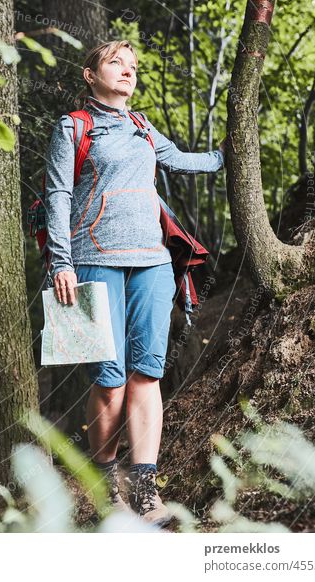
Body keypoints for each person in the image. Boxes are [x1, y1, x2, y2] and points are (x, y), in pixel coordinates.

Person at [43, 39, 227, 526]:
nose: (127, 71)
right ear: (90, 75)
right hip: (90, 260)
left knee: (147, 373)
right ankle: (107, 487)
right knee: (108, 380)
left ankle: (145, 490)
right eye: (114, 63)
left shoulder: (143, 126)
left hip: (152, 262)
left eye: (132, 66)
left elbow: (185, 160)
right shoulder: (74, 127)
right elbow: (58, 194)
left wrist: (227, 153)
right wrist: (61, 262)